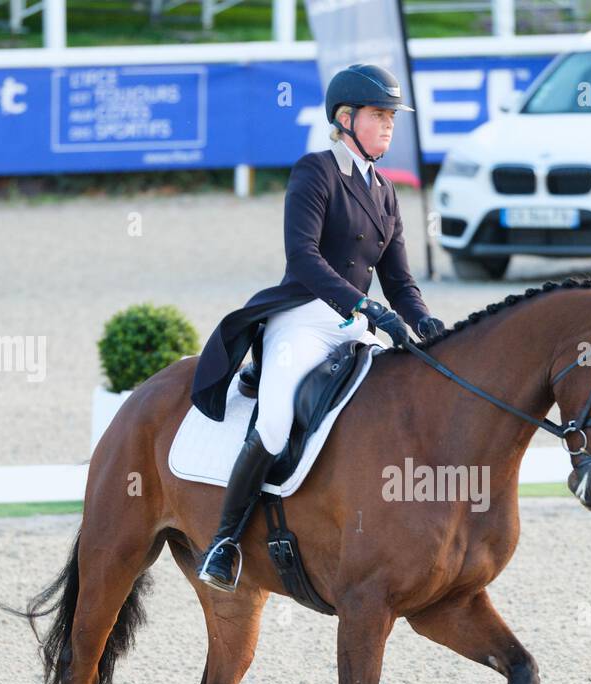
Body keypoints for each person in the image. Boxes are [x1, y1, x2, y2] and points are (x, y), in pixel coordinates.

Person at [190, 63, 444, 591]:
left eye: (392, 116)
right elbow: (302, 256)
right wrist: (364, 306)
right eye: (380, 115)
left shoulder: (385, 192)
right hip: (304, 319)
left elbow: (398, 279)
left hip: (353, 325)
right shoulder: (316, 170)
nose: (389, 126)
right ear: (345, 118)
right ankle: (225, 541)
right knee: (278, 419)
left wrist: (422, 319)